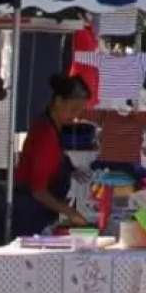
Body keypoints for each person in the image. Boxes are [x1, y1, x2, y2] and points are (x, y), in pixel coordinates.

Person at [10, 74, 92, 238]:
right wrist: (70, 212)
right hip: (29, 213)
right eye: (73, 109)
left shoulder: (52, 126)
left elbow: (55, 158)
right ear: (58, 101)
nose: (76, 116)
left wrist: (70, 169)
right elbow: (39, 190)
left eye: (80, 111)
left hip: (39, 211)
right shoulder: (46, 134)